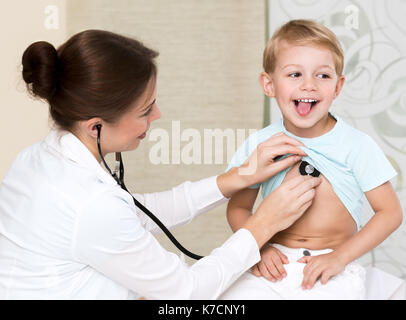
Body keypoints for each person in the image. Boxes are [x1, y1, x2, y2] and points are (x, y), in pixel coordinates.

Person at [0, 29, 321, 299]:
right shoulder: (89, 204)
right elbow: (186, 290)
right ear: (95, 126)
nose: (157, 116)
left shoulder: (38, 159)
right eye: (145, 110)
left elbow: (136, 213)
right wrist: (263, 224)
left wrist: (238, 177)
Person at [221, 19, 403, 300]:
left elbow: (389, 213)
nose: (309, 85)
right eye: (295, 74)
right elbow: (238, 209)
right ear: (269, 84)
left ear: (338, 86)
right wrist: (259, 248)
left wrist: (340, 258)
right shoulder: (259, 145)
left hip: (331, 266)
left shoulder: (356, 146)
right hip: (273, 261)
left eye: (323, 76)